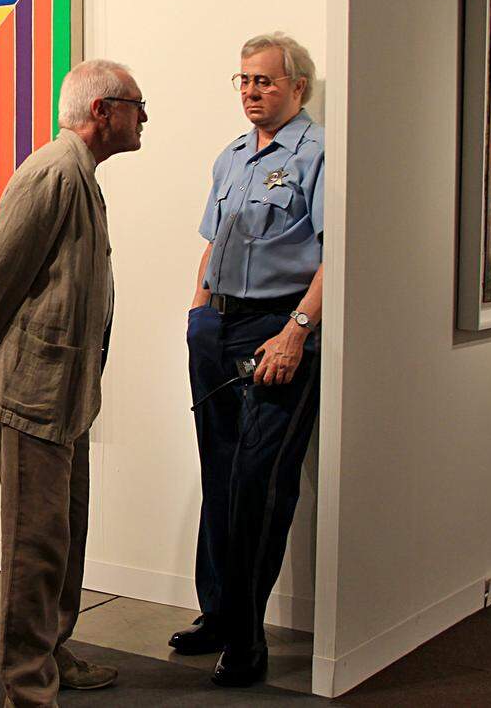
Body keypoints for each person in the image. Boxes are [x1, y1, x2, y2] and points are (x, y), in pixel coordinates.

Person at [0, 59, 147, 707]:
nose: (144, 119)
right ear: (103, 112)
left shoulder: (80, 174)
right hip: (31, 394)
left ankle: (53, 651)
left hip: (66, 393)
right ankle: (28, 686)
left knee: (63, 535)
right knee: (33, 547)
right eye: (137, 106)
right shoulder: (53, 173)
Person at [169, 33, 324, 687]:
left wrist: (295, 332)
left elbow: (338, 252)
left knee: (260, 483)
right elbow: (214, 242)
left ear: (297, 87)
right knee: (220, 473)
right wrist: (199, 314)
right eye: (244, 80)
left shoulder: (320, 154)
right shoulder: (231, 156)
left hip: (278, 329)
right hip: (219, 328)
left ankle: (247, 636)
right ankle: (218, 614)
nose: (252, 91)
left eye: (265, 80)